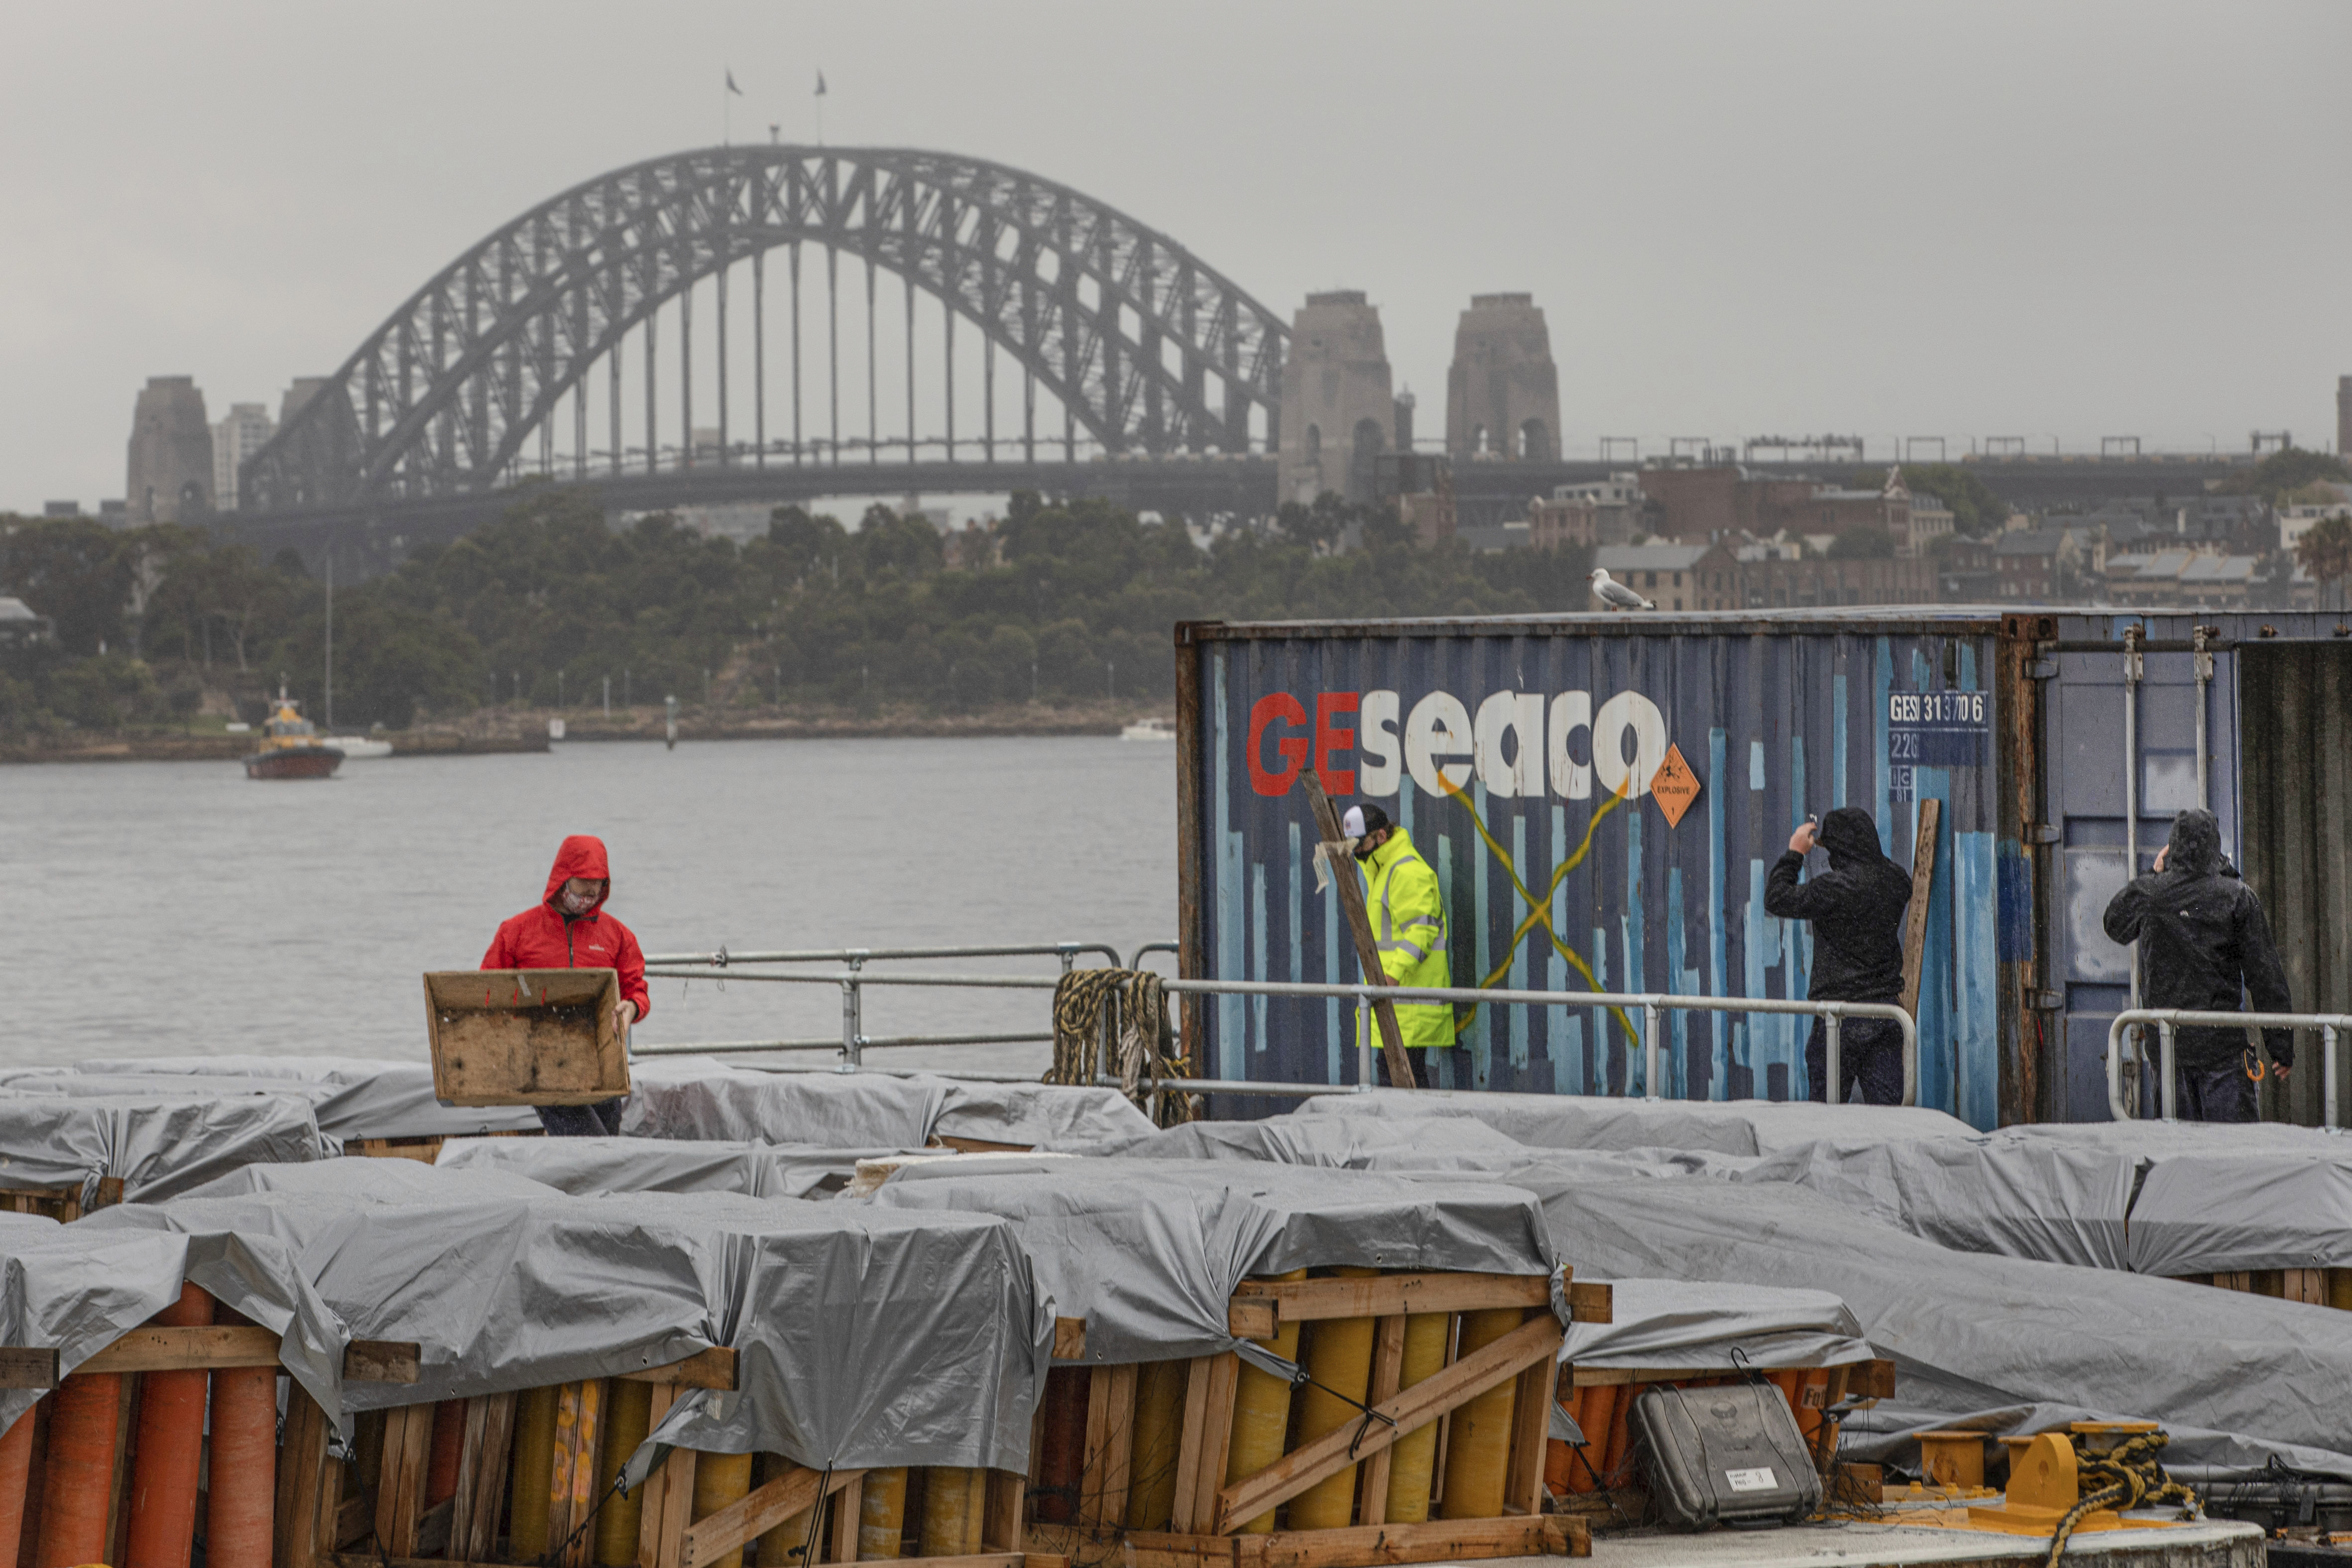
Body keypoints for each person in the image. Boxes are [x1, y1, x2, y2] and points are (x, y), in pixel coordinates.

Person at [2102, 807, 2294, 1123]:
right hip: (2223, 1054)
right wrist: (2281, 1047)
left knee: (2178, 1158)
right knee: (2233, 1157)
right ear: (2215, 850)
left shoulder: (2151, 894)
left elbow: (2114, 925)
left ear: (2172, 847)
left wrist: (2156, 874)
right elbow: (2265, 975)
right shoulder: (2237, 897)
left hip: (2169, 1054)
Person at [481, 834, 649, 1136]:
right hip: (541, 1064)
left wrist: (633, 1008)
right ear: (562, 881)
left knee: (606, 1141)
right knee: (592, 1143)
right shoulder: (516, 932)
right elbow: (486, 989)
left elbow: (636, 987)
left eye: (594, 894)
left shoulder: (619, 935)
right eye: (581, 892)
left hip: (603, 1062)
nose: (586, 900)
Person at [1763, 806, 1914, 1105]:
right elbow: (1879, 870)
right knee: (1890, 1116)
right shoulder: (1897, 881)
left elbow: (1777, 898)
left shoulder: (1832, 888)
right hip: (1885, 1014)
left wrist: (1796, 852)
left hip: (1838, 1016)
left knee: (1826, 1113)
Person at [1344, 803, 1453, 1070]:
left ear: (1381, 836)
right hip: (1399, 1004)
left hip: (1408, 1004)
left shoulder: (1405, 871)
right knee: (1402, 1088)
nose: (1357, 851)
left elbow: (1422, 931)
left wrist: (1389, 979)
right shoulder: (1384, 869)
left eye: (1361, 844)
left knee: (1403, 1090)